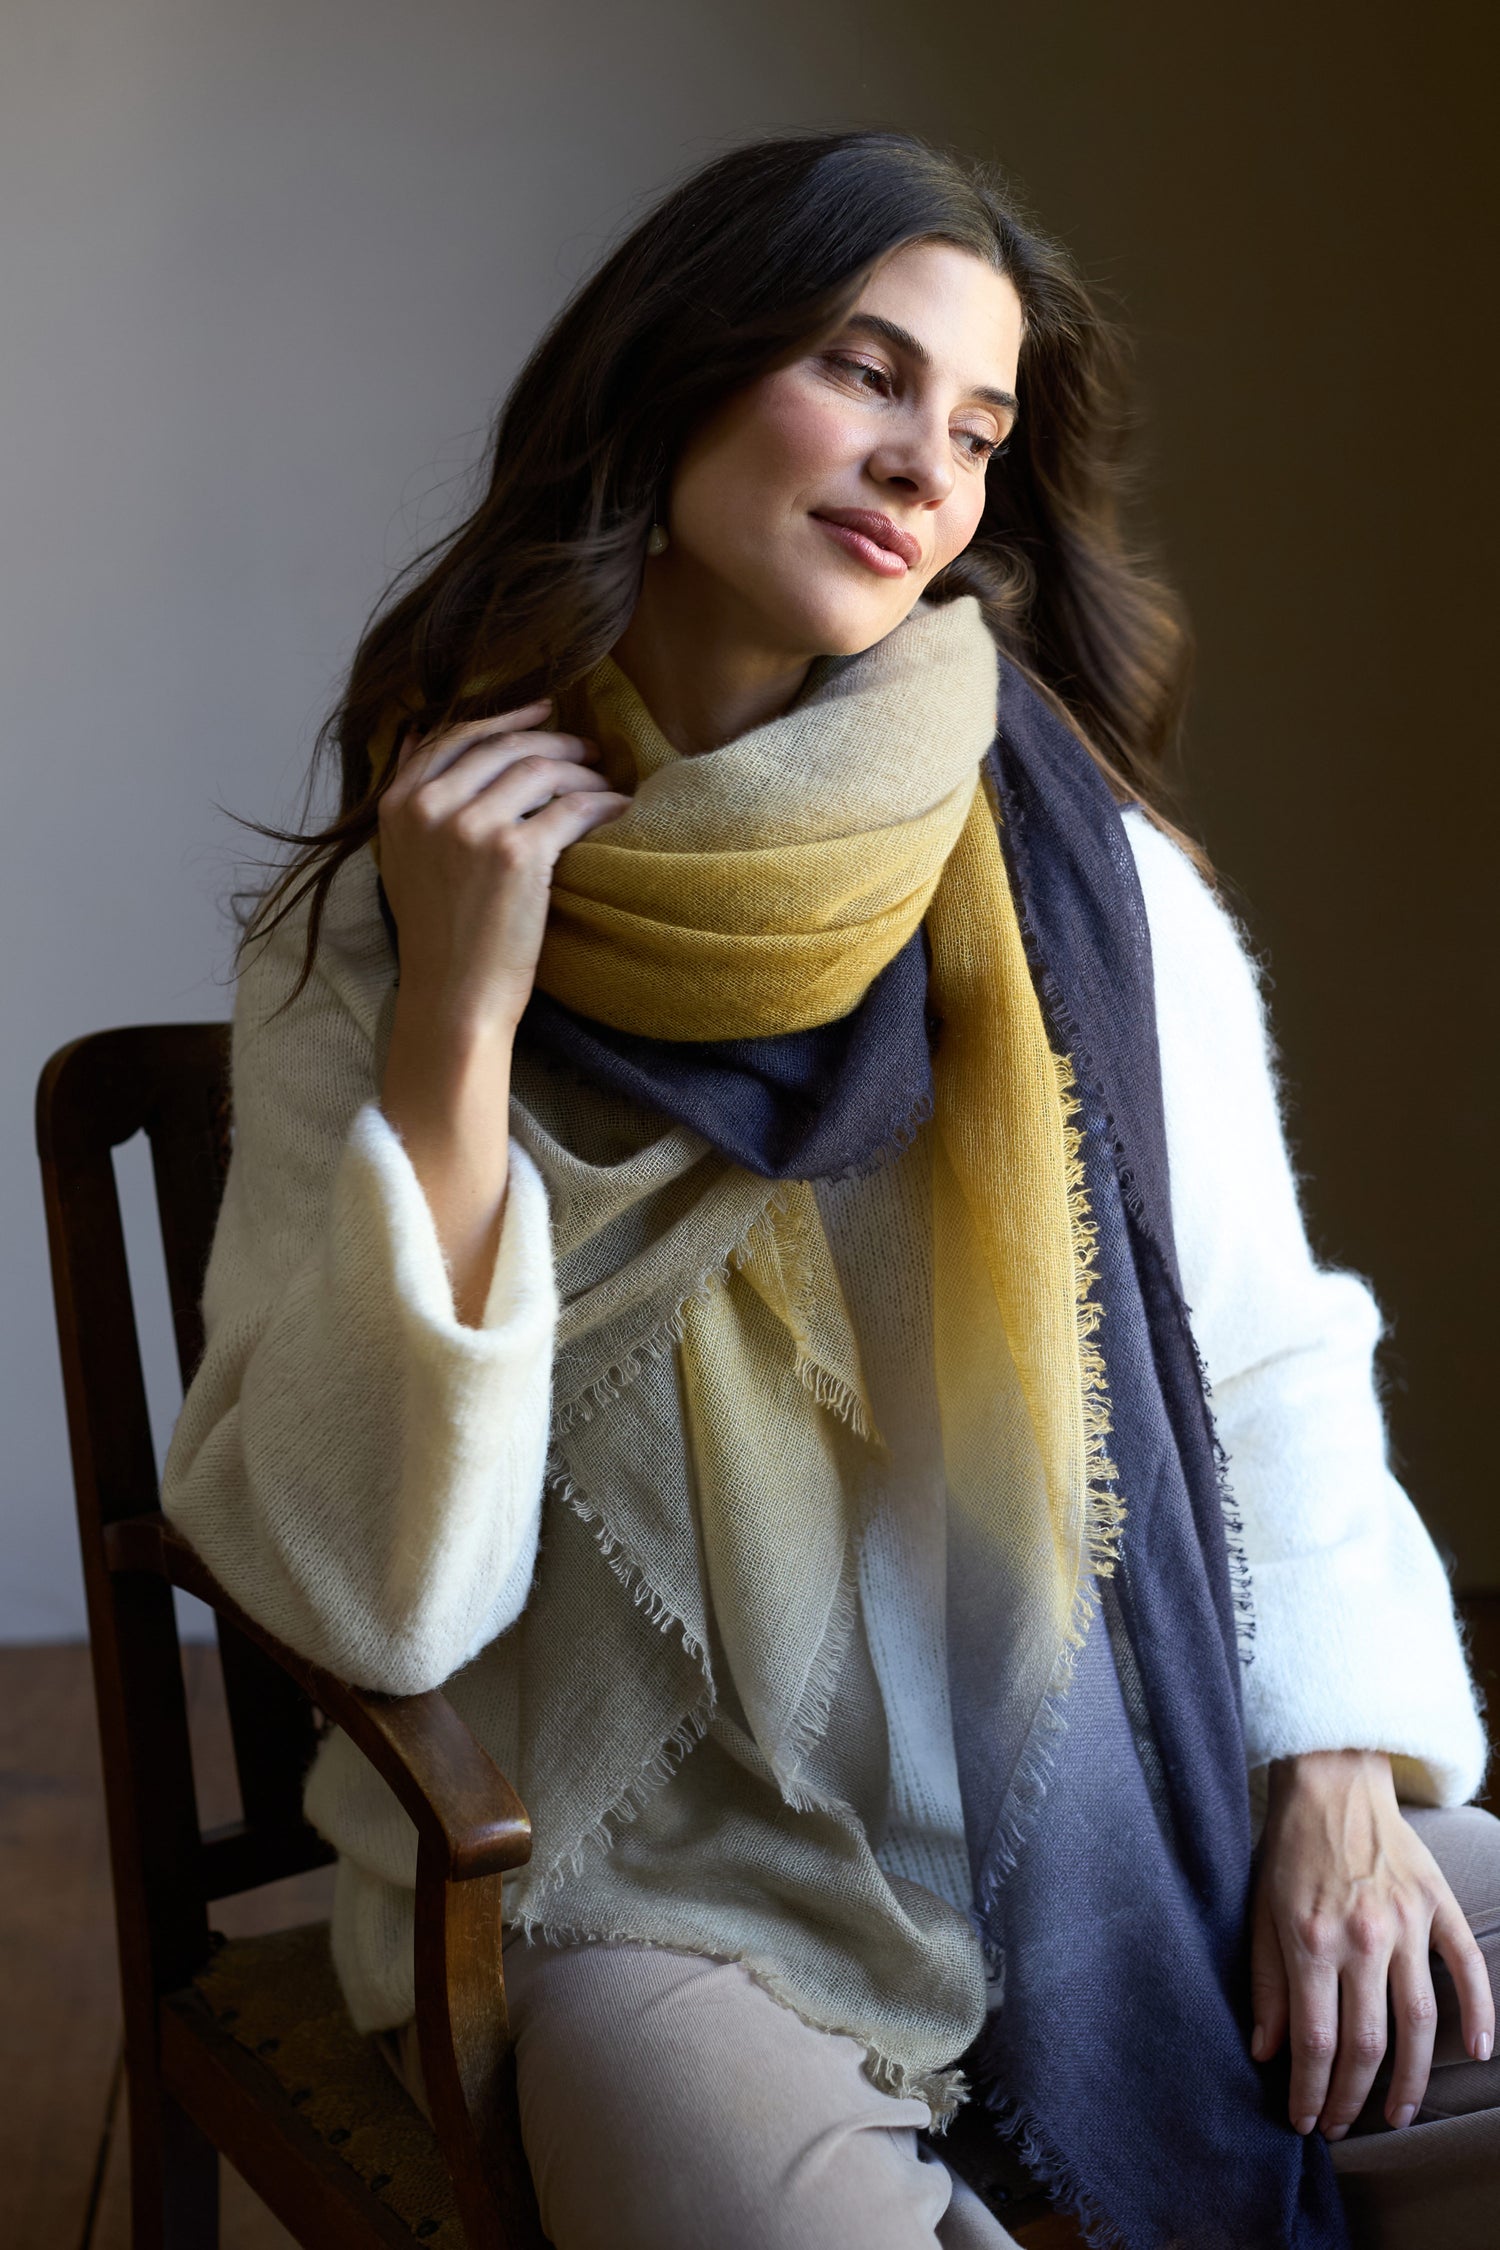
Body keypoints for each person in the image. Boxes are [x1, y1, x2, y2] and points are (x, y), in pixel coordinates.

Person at [160, 130, 1497, 2250]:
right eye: (863, 373)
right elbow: (368, 1604)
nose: (921, 466)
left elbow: (1259, 1349)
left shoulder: (1087, 887)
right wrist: (460, 1031)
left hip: (1108, 1786)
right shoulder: (382, 935)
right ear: (676, 376)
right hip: (648, 1881)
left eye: (973, 430)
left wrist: (1334, 1768)